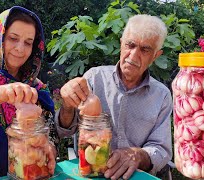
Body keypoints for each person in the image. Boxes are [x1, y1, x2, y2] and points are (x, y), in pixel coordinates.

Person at [56, 14, 172, 180]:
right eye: (130, 45)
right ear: (121, 44)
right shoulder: (94, 78)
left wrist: (137, 156)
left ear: (155, 56)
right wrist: (67, 105)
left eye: (145, 50)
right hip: (90, 173)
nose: (133, 56)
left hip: (135, 176)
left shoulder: (161, 95)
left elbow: (161, 149)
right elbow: (64, 130)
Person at [0, 6, 58, 178]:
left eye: (28, 42)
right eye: (13, 38)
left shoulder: (37, 89)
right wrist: (2, 93)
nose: (20, 49)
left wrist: (48, 149)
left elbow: (51, 136)